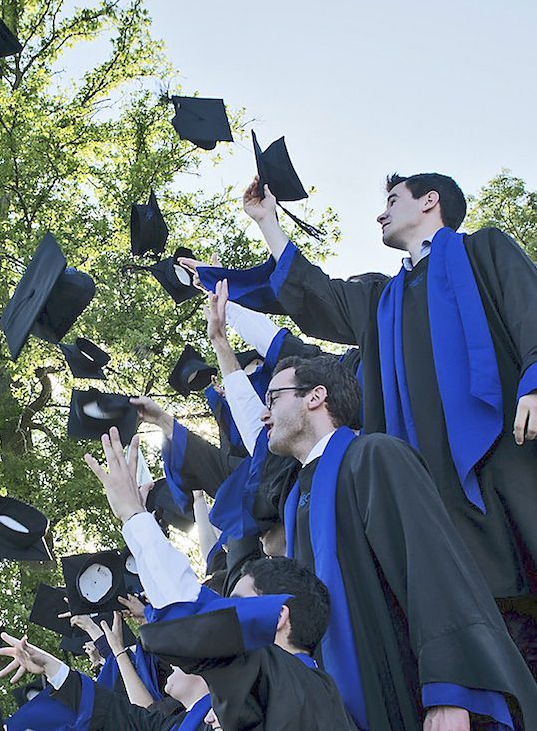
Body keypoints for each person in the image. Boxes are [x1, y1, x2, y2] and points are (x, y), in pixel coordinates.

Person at [208, 173, 537, 674]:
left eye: (392, 200)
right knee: (485, 622)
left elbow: (528, 308)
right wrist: (268, 222)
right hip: (431, 488)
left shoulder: (482, 251)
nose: (381, 213)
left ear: (430, 201)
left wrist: (534, 380)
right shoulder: (383, 301)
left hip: (506, 450)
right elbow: (319, 294)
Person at [257, 354, 537, 730]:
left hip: (410, 689)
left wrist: (451, 689)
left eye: (273, 398)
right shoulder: (297, 500)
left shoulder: (373, 456)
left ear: (315, 397)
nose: (264, 414)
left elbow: (434, 569)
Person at [79, 427, 357, 730]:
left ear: (278, 617)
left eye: (234, 605)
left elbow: (191, 615)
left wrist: (133, 516)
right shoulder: (299, 690)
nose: (220, 613)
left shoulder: (282, 682)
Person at [0, 632, 212, 730]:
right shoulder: (168, 724)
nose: (172, 662)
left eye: (183, 658)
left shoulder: (227, 713)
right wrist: (50, 665)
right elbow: (115, 713)